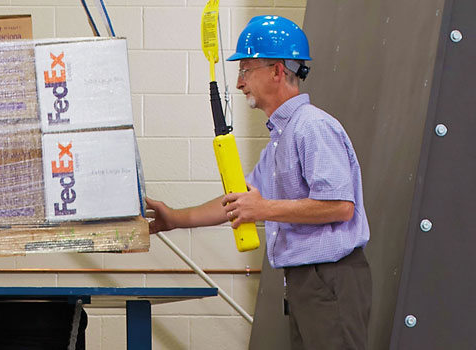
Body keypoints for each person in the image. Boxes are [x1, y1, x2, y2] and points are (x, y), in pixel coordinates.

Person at [145, 15, 372, 350]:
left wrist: (263, 209)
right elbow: (238, 201)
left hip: (329, 277)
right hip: (305, 280)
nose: (239, 82)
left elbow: (339, 206)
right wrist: (175, 219)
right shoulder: (280, 140)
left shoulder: (312, 127)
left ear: (278, 71)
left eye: (246, 69)